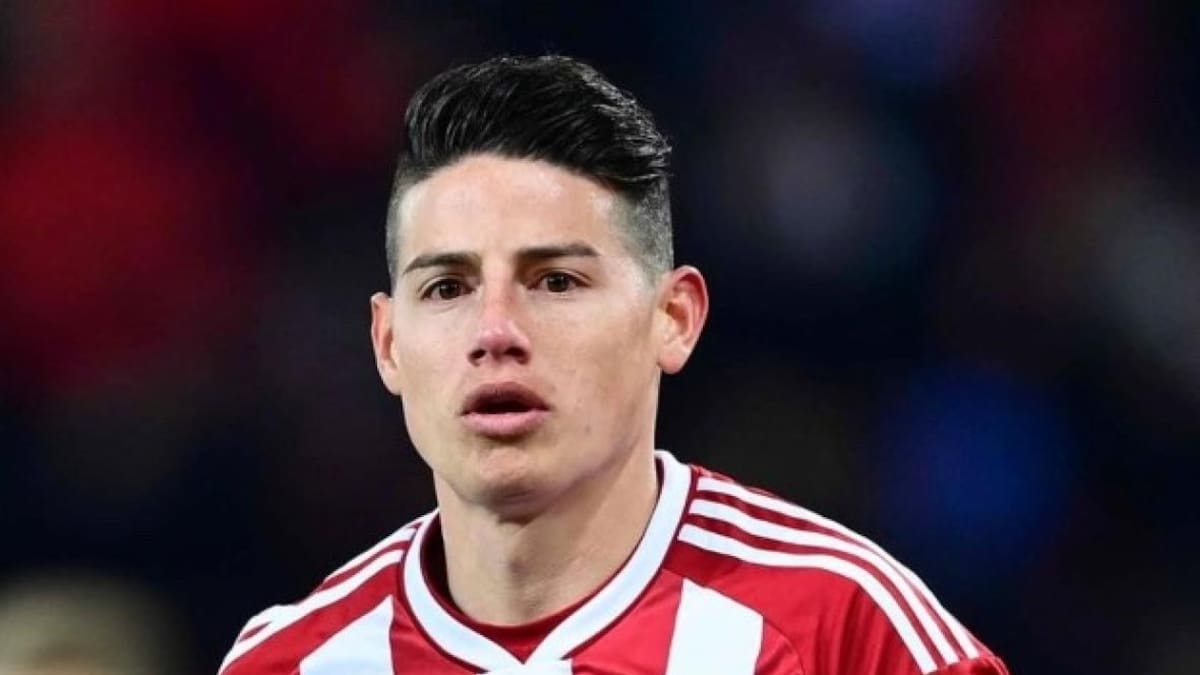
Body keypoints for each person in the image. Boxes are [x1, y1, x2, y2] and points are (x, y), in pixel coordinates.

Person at [219, 55, 1009, 675]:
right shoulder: (290, 661)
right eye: (448, 287)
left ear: (674, 319)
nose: (495, 331)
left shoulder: (845, 632)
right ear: (388, 342)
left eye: (555, 281)